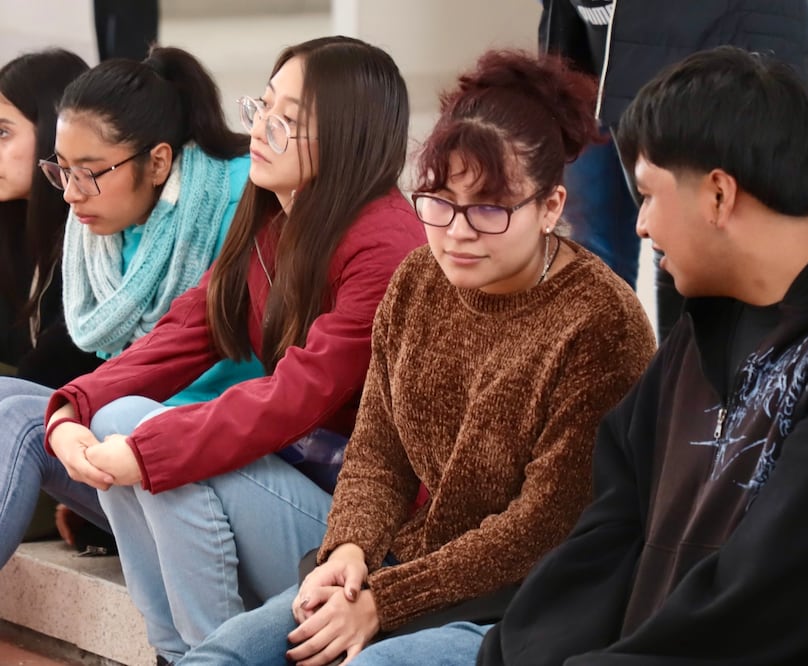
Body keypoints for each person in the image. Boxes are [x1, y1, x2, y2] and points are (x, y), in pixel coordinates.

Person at [370, 45, 808, 665]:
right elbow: (612, 523)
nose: (640, 226)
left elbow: (772, 602)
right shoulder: (718, 311)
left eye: (649, 195)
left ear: (718, 195)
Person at [176, 49, 657, 666]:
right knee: (225, 656)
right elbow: (379, 451)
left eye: (489, 209)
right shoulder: (418, 279)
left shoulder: (601, 324)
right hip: (410, 567)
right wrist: (348, 550)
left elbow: (542, 528)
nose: (457, 232)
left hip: (525, 607)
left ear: (551, 208)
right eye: (437, 201)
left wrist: (385, 602)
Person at [44, 36, 427, 664]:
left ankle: (215, 651)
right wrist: (73, 407)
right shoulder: (274, 220)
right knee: (117, 417)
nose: (261, 130)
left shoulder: (386, 246)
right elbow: (181, 334)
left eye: (288, 121)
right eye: (263, 107)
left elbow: (293, 398)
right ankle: (177, 651)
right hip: (293, 486)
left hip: (362, 534)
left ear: (348, 134)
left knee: (153, 443)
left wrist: (147, 451)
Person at [0, 44, 261, 565]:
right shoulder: (107, 224)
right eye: (63, 170)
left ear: (159, 161)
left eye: (90, 172)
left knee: (60, 418)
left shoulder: (242, 206)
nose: (71, 194)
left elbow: (247, 380)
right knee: (8, 399)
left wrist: (93, 419)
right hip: (134, 448)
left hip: (220, 461)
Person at [541, 0, 808, 339]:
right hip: (593, 51)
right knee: (597, 259)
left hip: (702, 45)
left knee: (690, 254)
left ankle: (694, 384)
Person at [0, 49, 100, 387]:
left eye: (3, 133)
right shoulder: (11, 220)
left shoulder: (99, 231)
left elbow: (59, 364)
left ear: (53, 133)